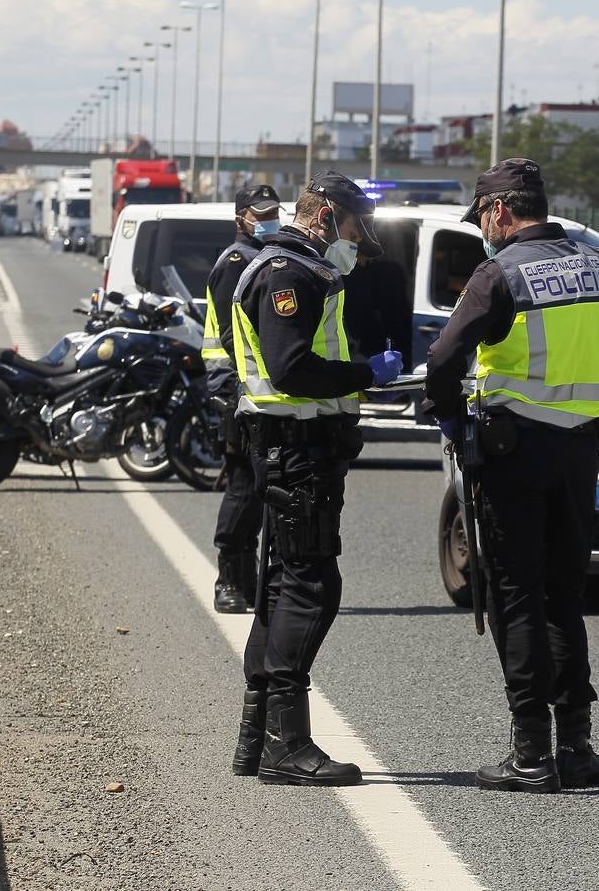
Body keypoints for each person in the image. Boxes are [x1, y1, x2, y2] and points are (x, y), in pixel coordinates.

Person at [424, 158, 599, 793]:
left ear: (498, 213)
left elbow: (442, 356)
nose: (483, 230)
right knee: (565, 599)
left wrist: (453, 415)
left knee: (517, 596)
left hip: (513, 455)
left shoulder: (500, 273)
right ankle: (577, 748)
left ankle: (530, 754)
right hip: (578, 453)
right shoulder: (596, 266)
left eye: (483, 218)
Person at [228, 170, 403, 786]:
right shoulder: (288, 275)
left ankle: (258, 737)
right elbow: (292, 368)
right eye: (357, 228)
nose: (360, 241)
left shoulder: (305, 271)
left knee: (280, 588)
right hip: (294, 454)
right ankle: (286, 745)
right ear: (326, 217)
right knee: (308, 589)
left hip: (293, 453)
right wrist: (365, 375)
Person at [201, 184, 282, 614]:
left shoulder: (261, 258)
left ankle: (248, 582)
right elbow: (236, 338)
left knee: (257, 485)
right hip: (234, 388)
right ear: (241, 219)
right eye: (260, 214)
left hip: (248, 387)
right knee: (244, 487)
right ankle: (228, 580)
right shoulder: (238, 261)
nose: (270, 220)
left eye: (273, 212)